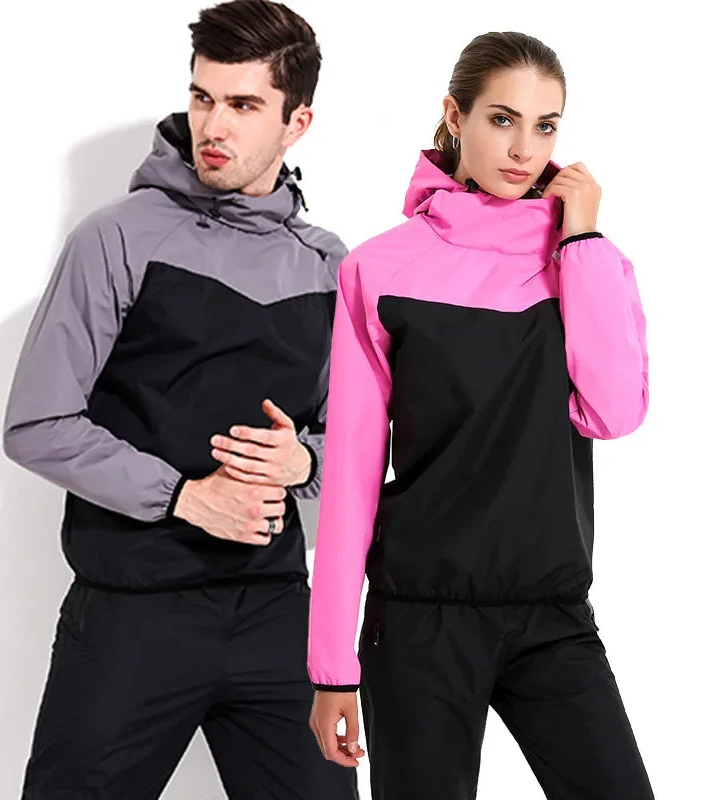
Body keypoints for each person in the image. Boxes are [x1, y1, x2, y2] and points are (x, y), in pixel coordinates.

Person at [3, 1, 358, 797]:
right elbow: (37, 423)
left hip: (274, 611)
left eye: (243, 105)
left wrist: (304, 461)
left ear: (297, 122)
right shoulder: (117, 238)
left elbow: (361, 446)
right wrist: (185, 498)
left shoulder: (329, 266)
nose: (213, 126)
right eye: (203, 97)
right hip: (132, 611)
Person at [307, 30, 654, 800]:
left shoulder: (584, 261)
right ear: (455, 115)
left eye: (546, 126)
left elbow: (613, 412)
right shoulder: (380, 268)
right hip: (418, 622)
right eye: (503, 119)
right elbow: (352, 473)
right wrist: (332, 667)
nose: (525, 149)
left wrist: (584, 237)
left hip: (552, 615)